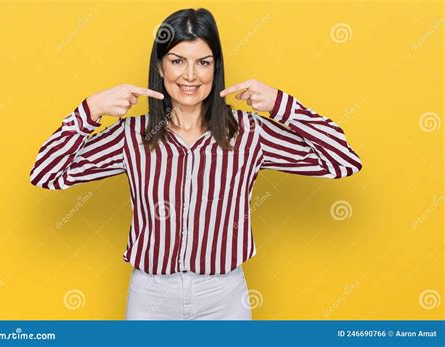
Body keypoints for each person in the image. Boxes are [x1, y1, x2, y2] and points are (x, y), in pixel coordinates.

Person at [29, 8, 363, 320]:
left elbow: (343, 159)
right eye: (177, 61)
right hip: (150, 295)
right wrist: (91, 109)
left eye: (203, 62)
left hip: (225, 295)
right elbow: (47, 172)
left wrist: (280, 104)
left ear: (215, 68)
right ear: (160, 67)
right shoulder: (133, 136)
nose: (190, 75)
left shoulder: (248, 132)